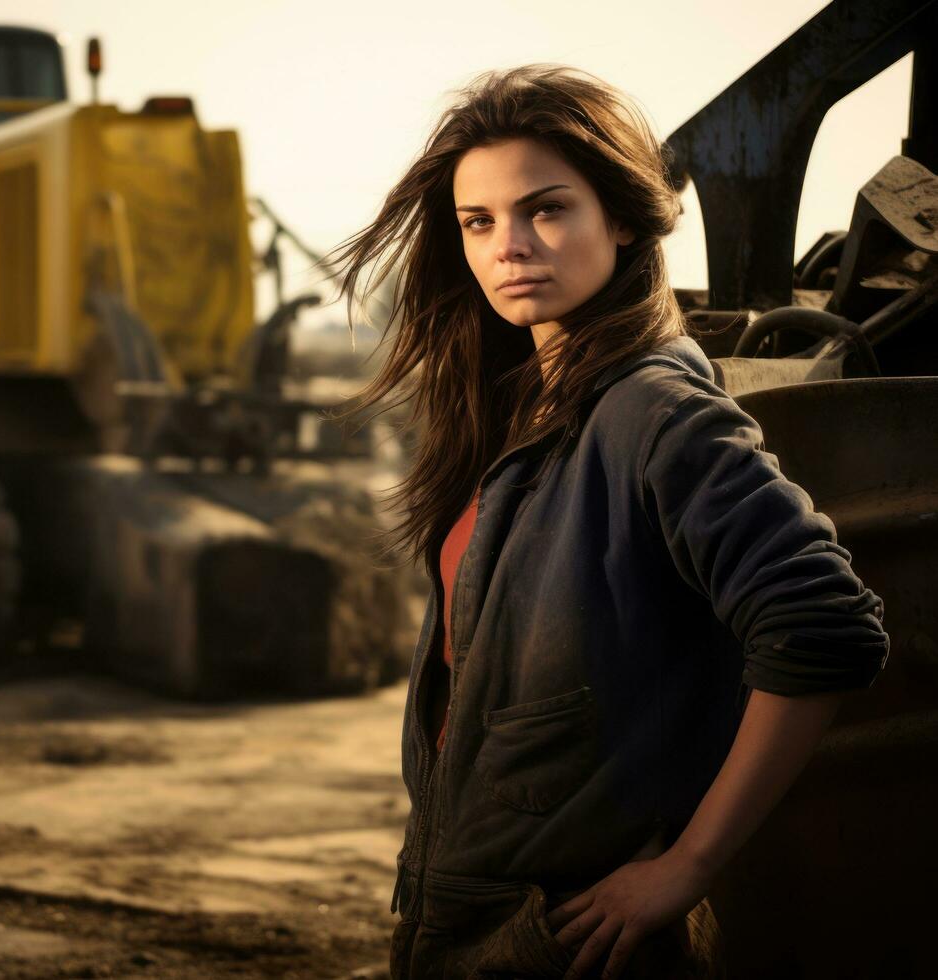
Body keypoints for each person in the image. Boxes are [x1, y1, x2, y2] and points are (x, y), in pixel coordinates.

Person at [328, 65, 889, 979]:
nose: (508, 246)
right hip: (472, 904)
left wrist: (687, 868)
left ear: (619, 218)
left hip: (572, 934)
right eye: (479, 222)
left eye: (545, 209)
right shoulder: (521, 405)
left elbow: (823, 624)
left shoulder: (650, 409)